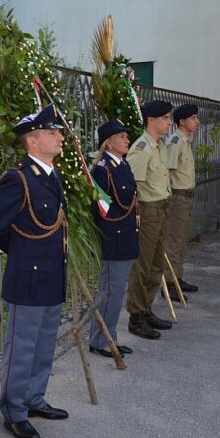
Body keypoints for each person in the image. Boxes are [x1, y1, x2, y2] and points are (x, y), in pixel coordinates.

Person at [0, 105, 69, 438]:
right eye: (53, 133)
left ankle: (34, 398)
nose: (61, 137)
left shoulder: (51, 175)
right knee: (21, 348)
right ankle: (14, 410)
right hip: (29, 277)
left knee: (44, 344)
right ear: (33, 140)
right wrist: (23, 254)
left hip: (53, 275)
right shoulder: (18, 178)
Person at [88, 119, 138, 358]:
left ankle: (110, 336)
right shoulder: (102, 169)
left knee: (117, 292)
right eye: (121, 137)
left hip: (126, 236)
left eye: (126, 136)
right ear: (108, 143)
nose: (127, 139)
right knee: (109, 292)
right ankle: (100, 340)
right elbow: (100, 208)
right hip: (113, 238)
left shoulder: (122, 165)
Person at [125, 100, 174, 340]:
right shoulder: (142, 148)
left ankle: (147, 309)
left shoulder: (160, 146)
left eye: (169, 118)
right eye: (165, 118)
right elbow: (131, 186)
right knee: (143, 265)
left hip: (162, 209)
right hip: (148, 212)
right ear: (151, 120)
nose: (169, 122)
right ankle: (136, 317)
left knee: (156, 265)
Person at [164, 104, 201, 295]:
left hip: (185, 197)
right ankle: (169, 283)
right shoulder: (176, 141)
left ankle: (177, 278)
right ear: (182, 121)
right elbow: (167, 172)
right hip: (177, 198)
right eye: (193, 118)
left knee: (181, 239)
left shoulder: (185, 140)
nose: (197, 122)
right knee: (174, 241)